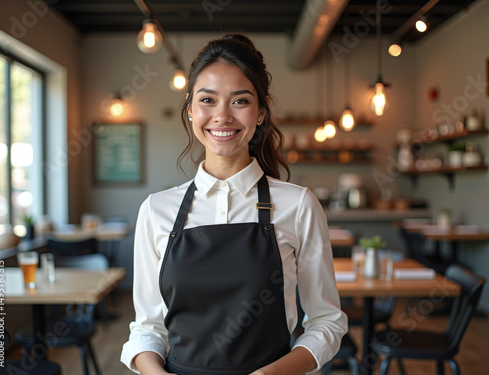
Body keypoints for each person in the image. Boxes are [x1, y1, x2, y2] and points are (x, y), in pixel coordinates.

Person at [121, 33, 347, 375]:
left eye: (240, 101)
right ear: (191, 107)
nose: (222, 116)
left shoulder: (298, 204)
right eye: (208, 100)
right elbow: (147, 328)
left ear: (260, 111)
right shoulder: (156, 210)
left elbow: (327, 323)